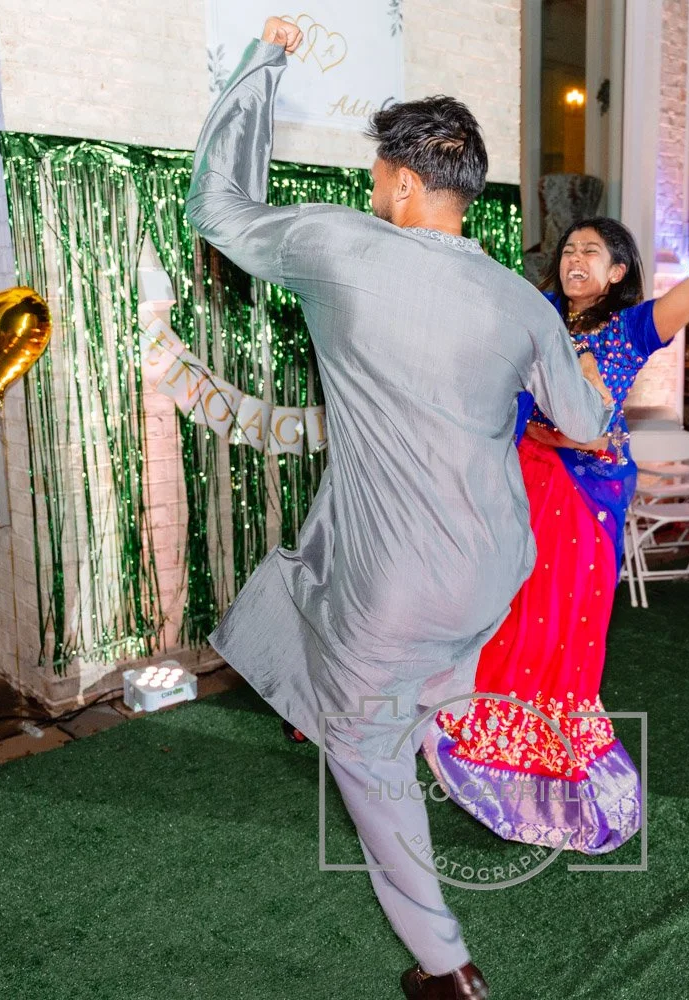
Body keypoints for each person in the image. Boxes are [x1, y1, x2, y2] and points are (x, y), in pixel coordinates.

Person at [188, 19, 614, 999]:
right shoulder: (521, 300)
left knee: (362, 753)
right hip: (491, 567)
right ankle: (425, 710)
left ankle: (446, 966)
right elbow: (585, 422)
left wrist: (265, 61)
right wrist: (565, 360)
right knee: (324, 618)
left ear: (409, 185)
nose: (375, 192)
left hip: (398, 581)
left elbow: (216, 204)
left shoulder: (345, 247)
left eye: (381, 177)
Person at [427, 114, 689, 855]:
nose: (578, 257)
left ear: (617, 274)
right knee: (504, 616)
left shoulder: (632, 328)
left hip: (582, 496)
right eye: (571, 248)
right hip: (517, 481)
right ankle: (483, 759)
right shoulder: (535, 315)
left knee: (562, 627)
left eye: (595, 252)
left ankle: (550, 778)